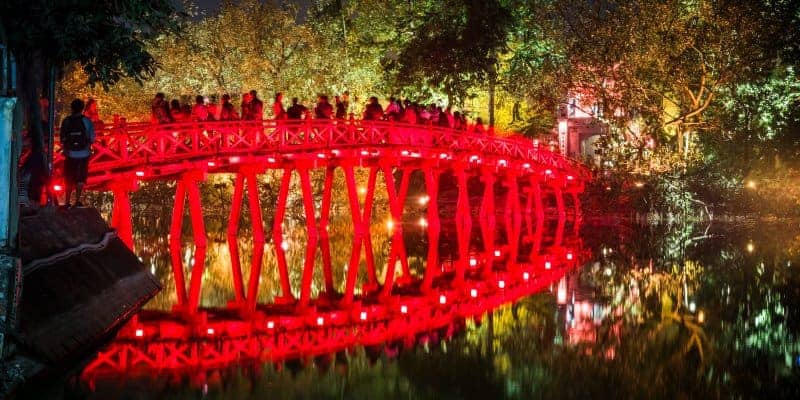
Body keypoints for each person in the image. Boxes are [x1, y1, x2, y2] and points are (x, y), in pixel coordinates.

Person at [60, 99, 95, 207]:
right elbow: (92, 138)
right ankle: (78, 201)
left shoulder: (66, 121)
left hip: (69, 154)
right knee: (81, 177)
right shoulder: (87, 121)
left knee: (69, 177)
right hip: (84, 154)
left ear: (71, 108)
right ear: (82, 108)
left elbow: (62, 139)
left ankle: (67, 202)